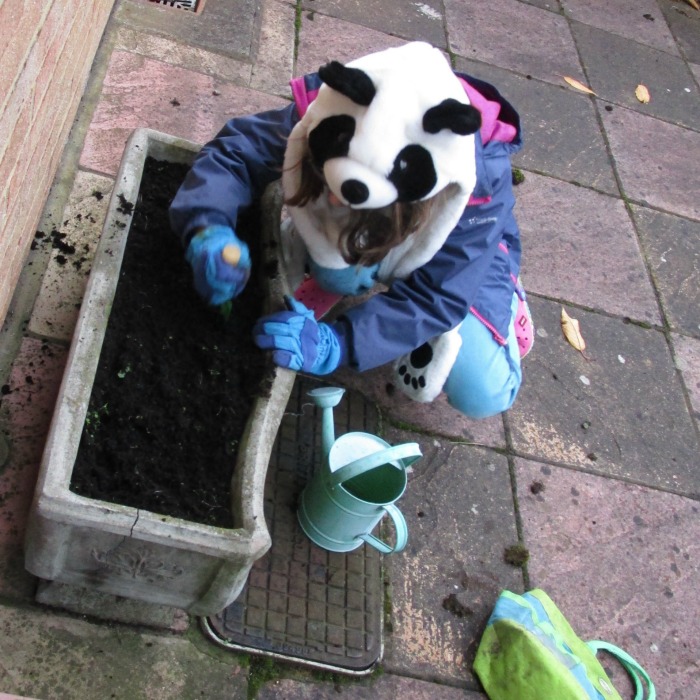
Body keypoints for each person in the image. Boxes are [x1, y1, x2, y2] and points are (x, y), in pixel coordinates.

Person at [169, 42, 533, 419]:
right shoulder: (342, 111)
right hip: (392, 230)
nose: (336, 206)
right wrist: (208, 225)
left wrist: (339, 344)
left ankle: (506, 303)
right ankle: (355, 271)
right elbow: (236, 155)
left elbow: (439, 296)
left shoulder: (473, 192)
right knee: (336, 274)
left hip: (467, 255)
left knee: (481, 391)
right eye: (335, 195)